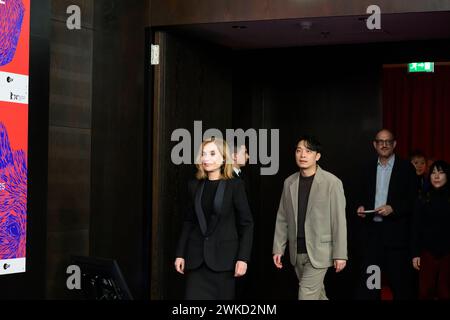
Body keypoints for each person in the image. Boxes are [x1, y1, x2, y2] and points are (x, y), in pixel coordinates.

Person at [174, 137, 254, 300]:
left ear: (224, 158)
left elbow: (247, 224)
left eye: (211, 153)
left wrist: (243, 258)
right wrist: (180, 253)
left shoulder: (235, 186)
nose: (206, 158)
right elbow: (189, 222)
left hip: (224, 262)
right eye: (203, 154)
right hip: (196, 262)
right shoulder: (194, 185)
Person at [272, 136, 347, 300]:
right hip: (296, 250)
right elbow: (282, 217)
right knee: (318, 295)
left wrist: (340, 253)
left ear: (317, 156)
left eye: (308, 151)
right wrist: (278, 247)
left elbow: (339, 220)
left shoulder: (332, 182)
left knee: (306, 294)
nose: (302, 155)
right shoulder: (289, 182)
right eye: (299, 151)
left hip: (320, 251)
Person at [356, 129, 417, 300]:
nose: (384, 144)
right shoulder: (366, 168)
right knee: (371, 286)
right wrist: (360, 207)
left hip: (397, 239)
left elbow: (413, 202)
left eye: (388, 141)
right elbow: (359, 196)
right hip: (372, 237)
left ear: (394, 144)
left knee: (400, 286)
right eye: (380, 141)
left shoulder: (406, 168)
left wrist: (394, 208)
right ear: (374, 144)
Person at [411, 160, 450, 299]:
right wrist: (415, 254)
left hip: (447, 254)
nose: (436, 176)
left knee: (445, 292)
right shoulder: (422, 198)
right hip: (427, 253)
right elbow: (415, 227)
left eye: (440, 172)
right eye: (433, 173)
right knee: (425, 292)